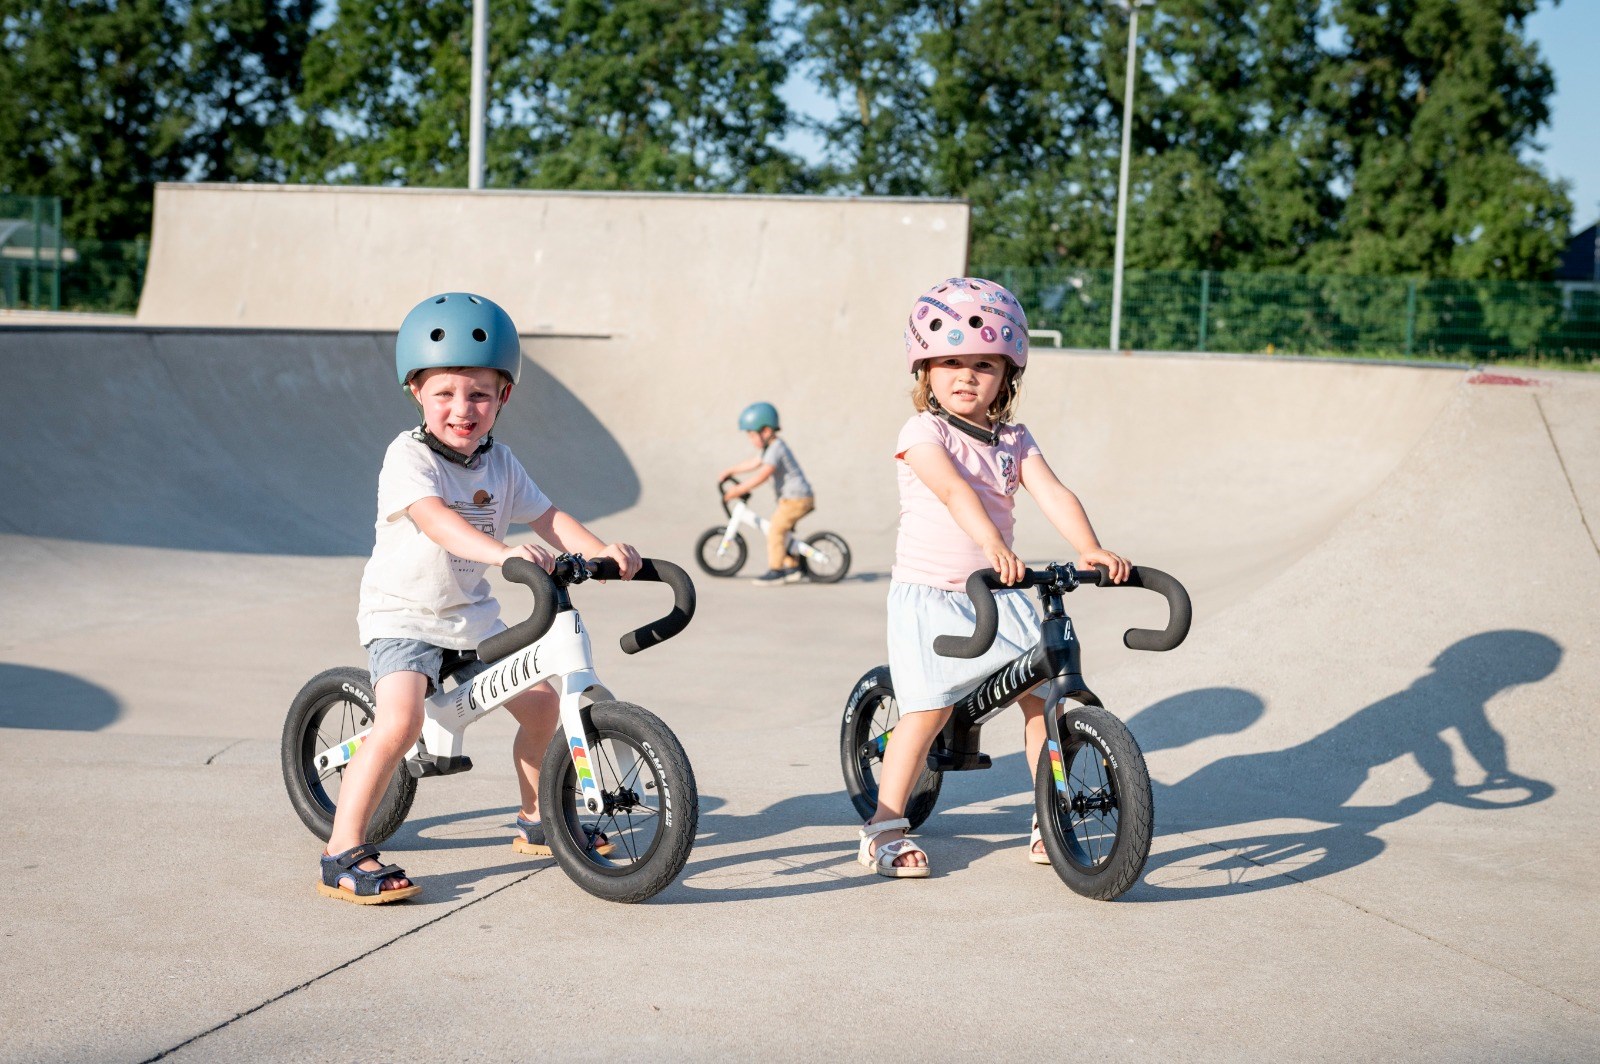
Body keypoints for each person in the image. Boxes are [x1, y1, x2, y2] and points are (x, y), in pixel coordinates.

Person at [318, 291, 641, 904]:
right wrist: (503, 553)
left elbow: (548, 517)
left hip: (470, 619)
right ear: (416, 391)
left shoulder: (502, 463)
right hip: (404, 617)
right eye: (444, 393)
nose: (462, 409)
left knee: (543, 705)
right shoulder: (408, 457)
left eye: (480, 395)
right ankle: (341, 851)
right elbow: (436, 520)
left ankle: (538, 819)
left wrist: (605, 552)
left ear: (504, 397)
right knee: (401, 721)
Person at [859, 276, 1131, 878]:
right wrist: (991, 544)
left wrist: (1088, 548)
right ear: (924, 370)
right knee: (926, 712)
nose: (967, 375)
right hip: (934, 595)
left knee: (1043, 697)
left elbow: (1052, 492)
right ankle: (884, 826)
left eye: (984, 364)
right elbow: (954, 490)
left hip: (998, 594)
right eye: (950, 362)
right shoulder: (923, 432)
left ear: (1007, 374)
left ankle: (1049, 816)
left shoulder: (1013, 439)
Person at [716, 402, 816, 586]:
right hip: (792, 499)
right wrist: (731, 471)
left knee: (775, 530)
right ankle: (793, 567)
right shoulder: (770, 448)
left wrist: (738, 490)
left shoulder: (777, 448)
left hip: (797, 499)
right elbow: (754, 463)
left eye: (751, 435)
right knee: (784, 533)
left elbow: (763, 475)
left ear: (767, 431)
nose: (750, 439)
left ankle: (776, 570)